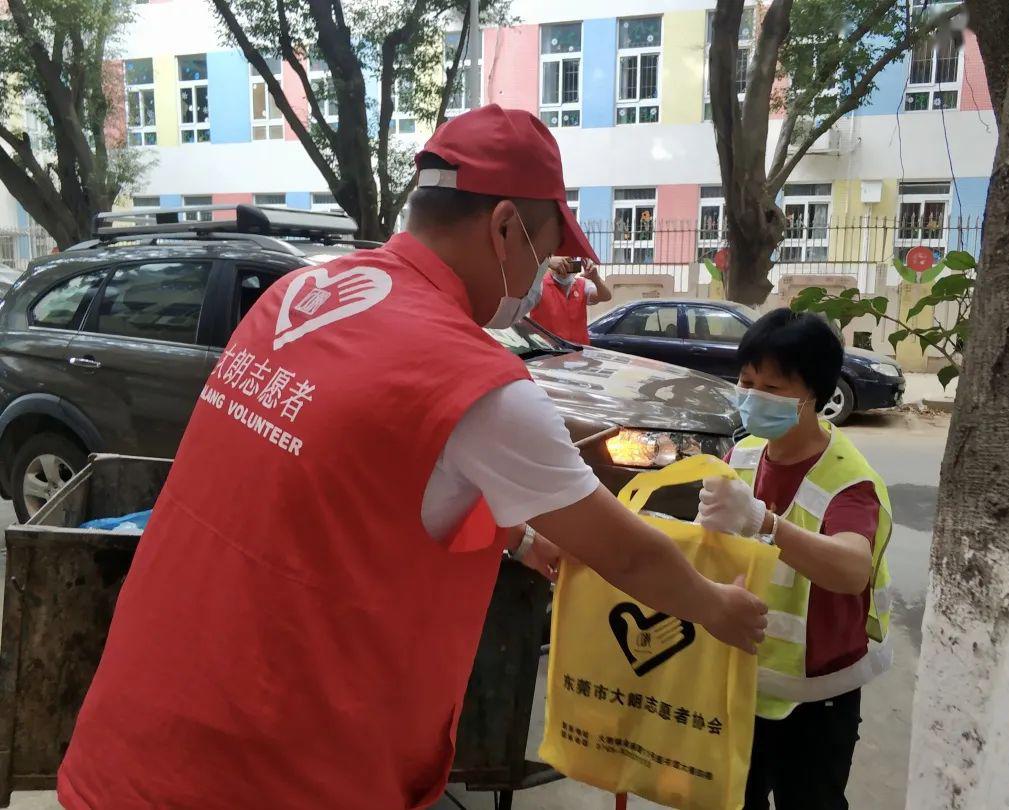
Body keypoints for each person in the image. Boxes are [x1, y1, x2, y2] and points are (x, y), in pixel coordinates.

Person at [57, 105, 767, 810]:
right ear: (503, 229)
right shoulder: (475, 382)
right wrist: (718, 608)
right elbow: (630, 556)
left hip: (141, 731)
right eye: (546, 254)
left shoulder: (298, 294)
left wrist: (515, 536)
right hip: (275, 768)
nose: (540, 280)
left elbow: (350, 484)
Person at [697, 308, 893, 810]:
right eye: (746, 381)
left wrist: (766, 522)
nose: (752, 396)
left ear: (814, 397)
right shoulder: (743, 455)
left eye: (773, 388)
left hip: (819, 694)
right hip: (743, 679)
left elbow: (852, 571)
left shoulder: (848, 479)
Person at [529, 255, 611, 344]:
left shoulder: (582, 285)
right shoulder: (539, 286)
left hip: (578, 352)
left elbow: (606, 296)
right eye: (561, 264)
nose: (564, 268)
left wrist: (596, 279)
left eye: (568, 263)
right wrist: (545, 262)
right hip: (548, 353)